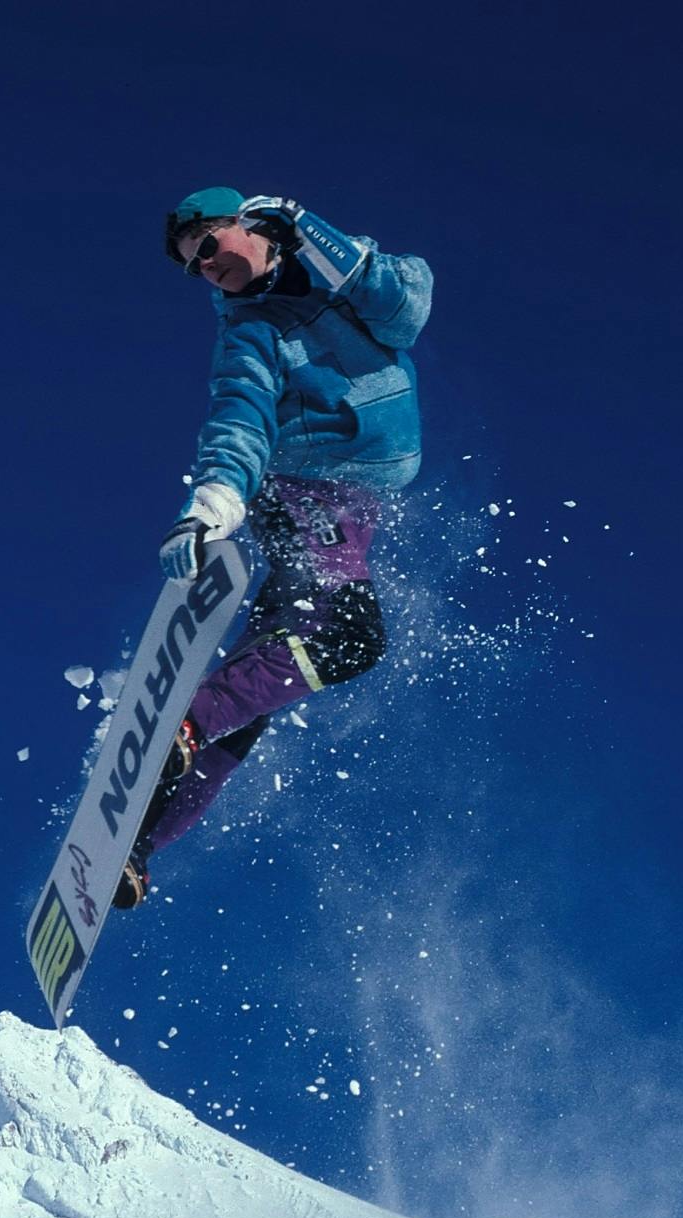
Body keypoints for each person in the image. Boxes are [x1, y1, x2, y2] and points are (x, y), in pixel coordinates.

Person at [116, 186, 434, 908]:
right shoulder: (249, 332)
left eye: (207, 245)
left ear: (253, 224)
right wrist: (213, 505)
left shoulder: (349, 279)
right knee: (348, 638)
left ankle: (136, 839)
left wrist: (313, 232)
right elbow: (239, 420)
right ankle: (187, 723)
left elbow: (406, 308)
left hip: (348, 510)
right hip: (305, 497)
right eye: (189, 265)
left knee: (262, 686)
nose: (203, 269)